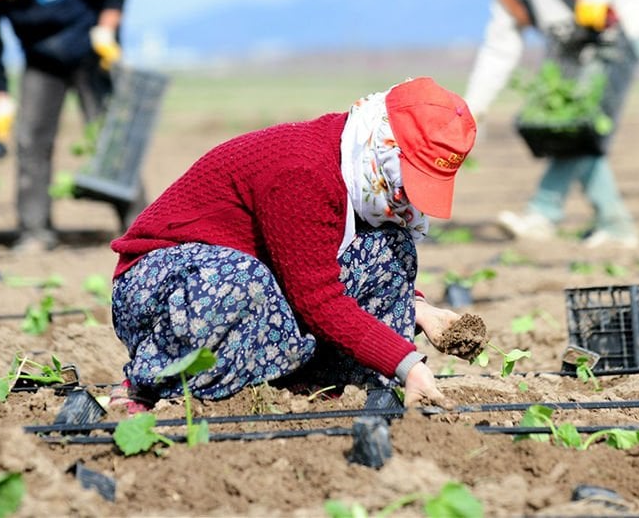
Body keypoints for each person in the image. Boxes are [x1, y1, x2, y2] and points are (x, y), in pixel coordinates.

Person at [106, 77, 477, 410]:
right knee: (241, 278)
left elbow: (332, 259)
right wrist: (407, 364)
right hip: (162, 289)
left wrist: (417, 307)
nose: (406, 193)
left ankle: (314, 382)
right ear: (386, 147)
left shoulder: (357, 165)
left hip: (255, 281)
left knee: (389, 248)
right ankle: (152, 383)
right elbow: (317, 297)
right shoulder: (304, 172)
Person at [446, 0, 639, 249]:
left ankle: (549, 216)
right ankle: (602, 223)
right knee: (573, 127)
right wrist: (474, 109)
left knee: (579, 127)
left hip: (625, 31)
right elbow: (498, 51)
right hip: (579, 50)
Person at [0, 0, 127, 251]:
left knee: (111, 140)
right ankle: (34, 231)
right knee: (30, 141)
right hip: (42, 62)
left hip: (91, 53)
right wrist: (0, 97)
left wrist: (107, 30)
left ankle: (136, 225)